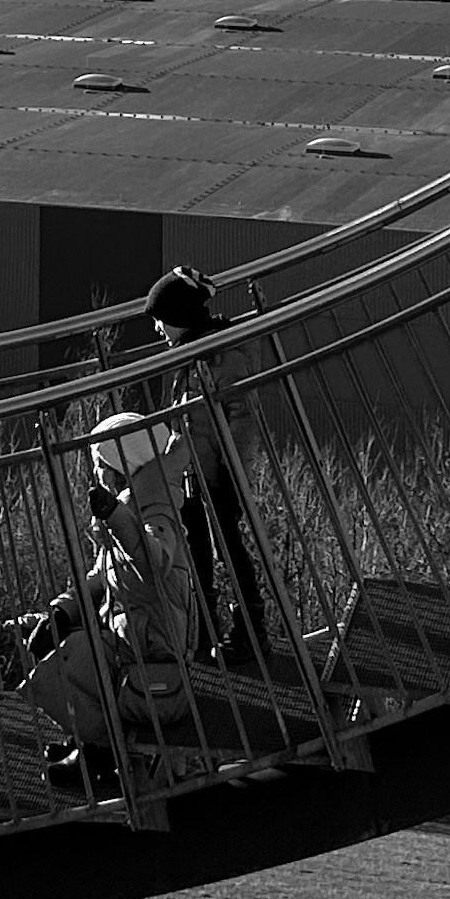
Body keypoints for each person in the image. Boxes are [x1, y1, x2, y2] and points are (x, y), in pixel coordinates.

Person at [10, 406, 204, 800]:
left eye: (101, 466)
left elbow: (154, 562)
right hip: (133, 638)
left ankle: (98, 748)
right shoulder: (135, 504)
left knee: (76, 655)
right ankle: (89, 741)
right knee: (61, 638)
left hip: (154, 648)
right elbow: (101, 576)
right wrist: (61, 610)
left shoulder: (157, 508)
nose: (97, 475)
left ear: (121, 467)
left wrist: (116, 517)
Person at [145, 265, 272, 669]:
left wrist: (233, 472)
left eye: (161, 320)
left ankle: (249, 632)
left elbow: (242, 416)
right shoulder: (192, 355)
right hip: (193, 474)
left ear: (181, 317)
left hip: (217, 475)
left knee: (227, 548)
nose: (158, 330)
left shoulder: (221, 357)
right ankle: (203, 630)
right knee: (197, 548)